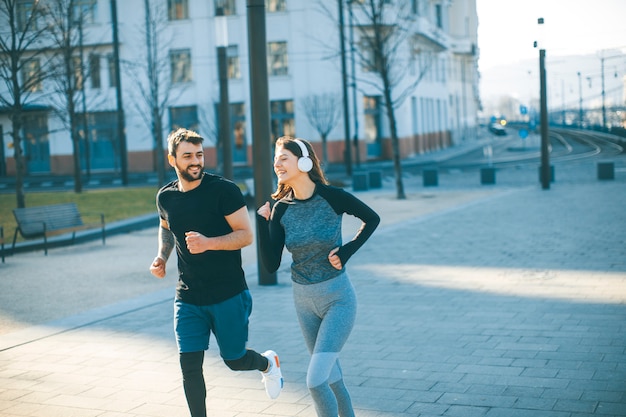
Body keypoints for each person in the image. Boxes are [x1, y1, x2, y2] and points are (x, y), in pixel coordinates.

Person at [149, 128, 283, 417]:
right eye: (188, 156)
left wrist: (208, 243)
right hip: (187, 297)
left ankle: (267, 364)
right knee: (189, 367)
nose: (196, 162)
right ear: (172, 159)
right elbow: (166, 228)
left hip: (228, 293)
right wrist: (162, 256)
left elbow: (245, 235)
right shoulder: (166, 197)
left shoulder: (224, 191)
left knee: (234, 360)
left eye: (199, 155)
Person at [256, 136, 380, 417]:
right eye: (276, 159)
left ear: (303, 161)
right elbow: (270, 265)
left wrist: (347, 251)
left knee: (315, 380)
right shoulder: (281, 209)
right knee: (332, 379)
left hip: (338, 300)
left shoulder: (332, 197)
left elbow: (372, 219)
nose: (277, 164)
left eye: (283, 158)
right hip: (303, 302)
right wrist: (263, 224)